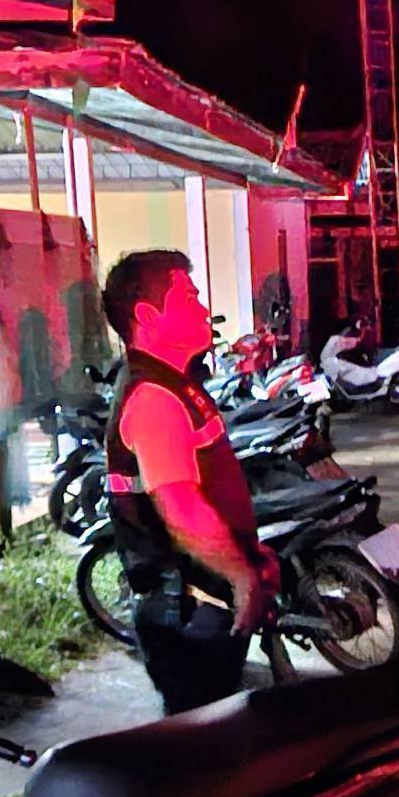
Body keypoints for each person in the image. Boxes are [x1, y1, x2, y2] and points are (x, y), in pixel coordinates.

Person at [102, 250, 280, 715]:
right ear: (147, 316)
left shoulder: (175, 383)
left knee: (218, 730)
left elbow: (212, 491)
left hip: (203, 600)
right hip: (188, 612)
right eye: (187, 298)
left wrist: (250, 556)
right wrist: (241, 576)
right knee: (205, 741)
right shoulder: (153, 398)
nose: (202, 308)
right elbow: (180, 507)